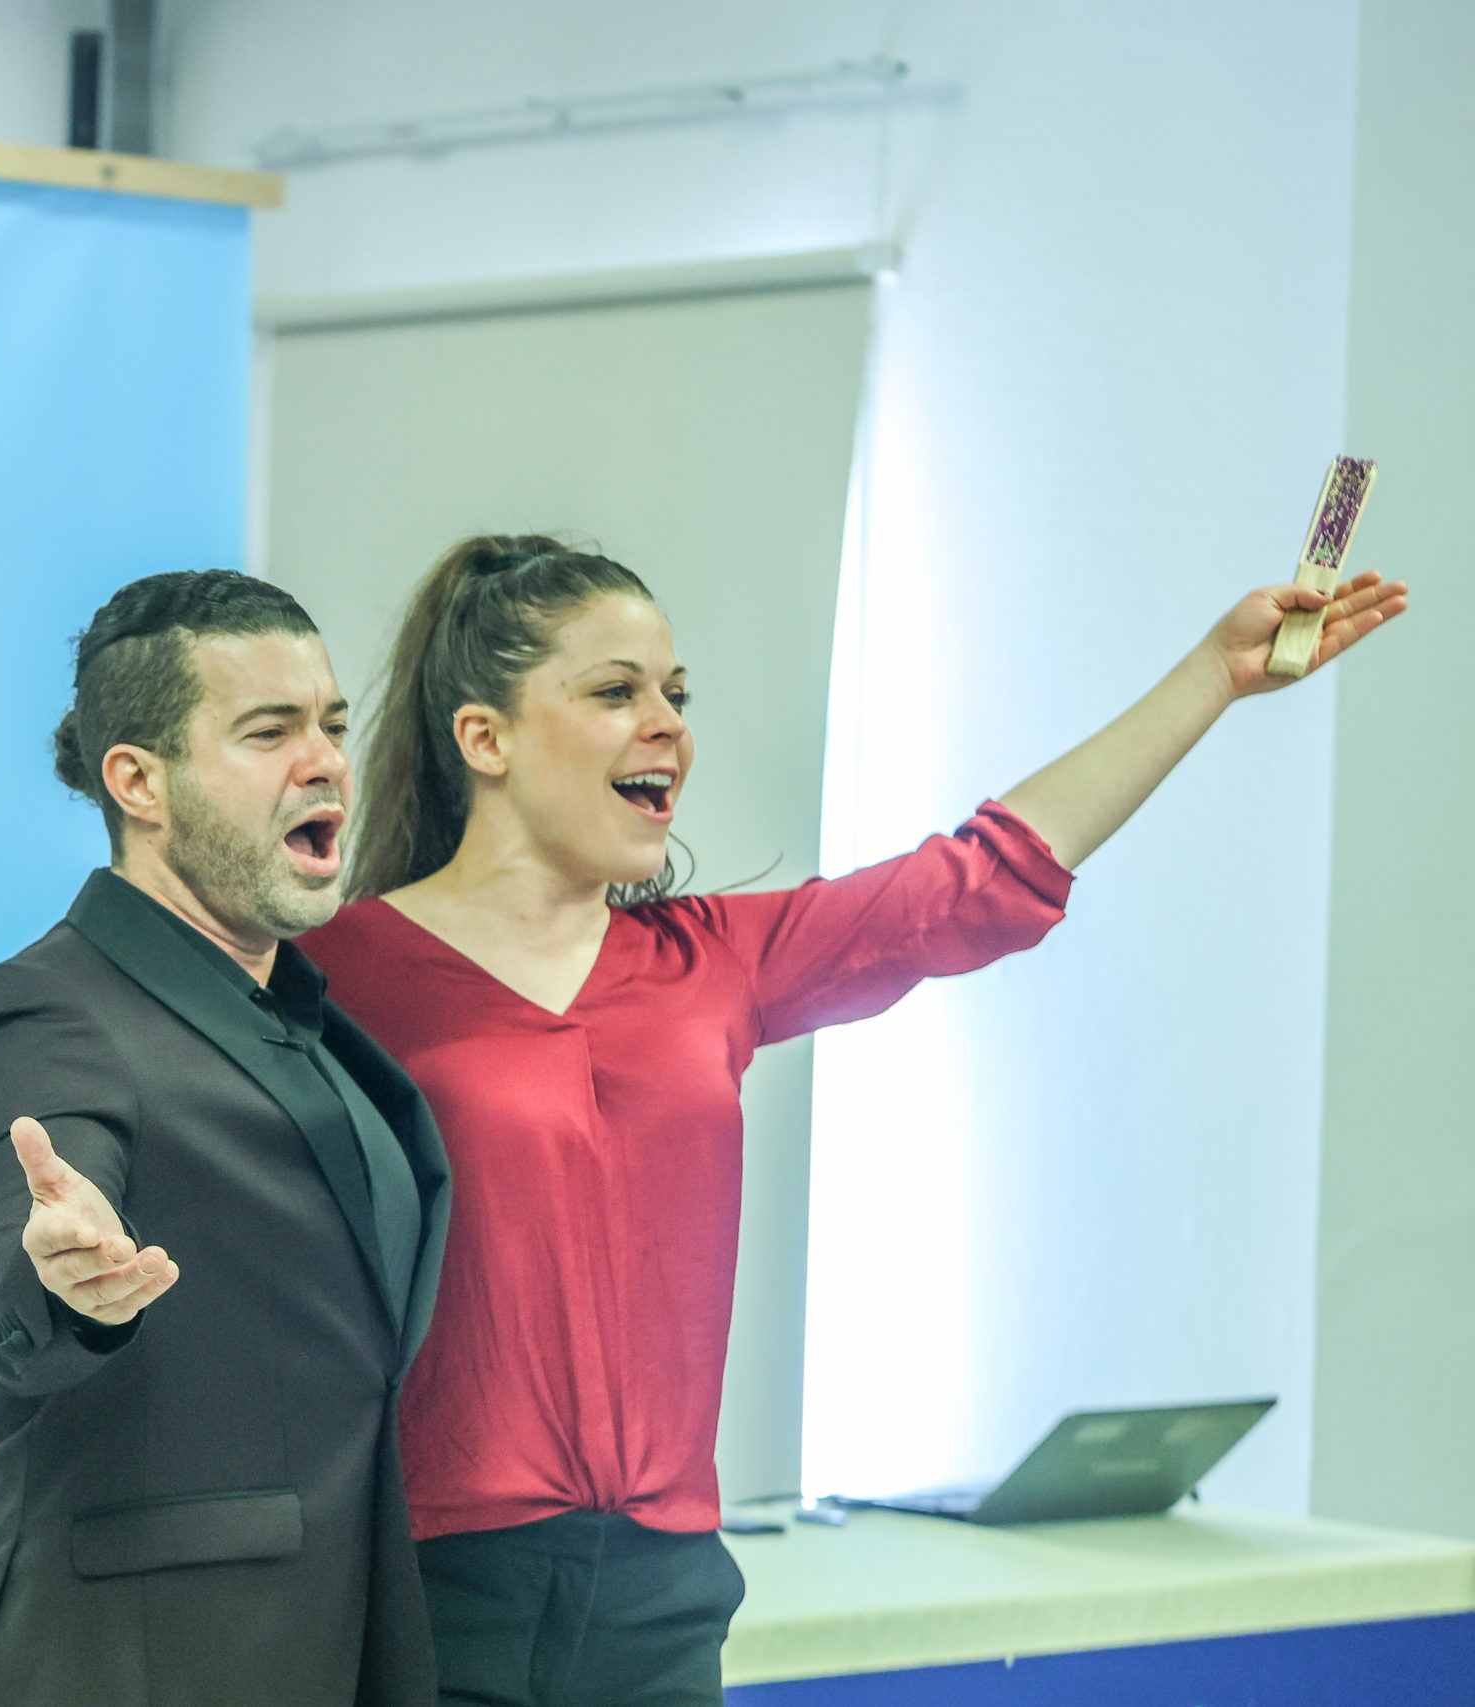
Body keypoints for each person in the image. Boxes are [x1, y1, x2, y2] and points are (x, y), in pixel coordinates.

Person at [298, 534, 1408, 1707]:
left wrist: (1212, 675)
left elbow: (981, 881)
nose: (667, 722)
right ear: (486, 738)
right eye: (616, 692)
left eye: (676, 694)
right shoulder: (336, 976)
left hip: (661, 1599)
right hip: (435, 1591)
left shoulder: (709, 961)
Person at [0, 569, 454, 1707]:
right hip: (130, 1665)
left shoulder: (311, 1024)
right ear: (138, 782)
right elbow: (4, 1259)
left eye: (331, 725)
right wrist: (55, 1274)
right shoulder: (41, 1009)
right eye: (269, 731)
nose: (324, 762)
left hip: (333, 1646)